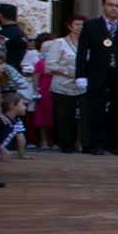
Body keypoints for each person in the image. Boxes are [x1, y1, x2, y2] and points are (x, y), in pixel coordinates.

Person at [75, 0, 118, 155]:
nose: (114, 9)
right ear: (103, 6)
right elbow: (82, 52)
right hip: (97, 73)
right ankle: (95, 143)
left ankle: (115, 143)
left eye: (117, 6)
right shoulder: (91, 26)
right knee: (95, 109)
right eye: (110, 5)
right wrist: (80, 75)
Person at [43, 14, 85, 153]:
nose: (80, 27)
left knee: (81, 116)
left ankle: (80, 142)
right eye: (78, 24)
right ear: (70, 26)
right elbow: (50, 65)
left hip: (81, 86)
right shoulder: (59, 43)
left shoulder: (87, 43)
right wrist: (68, 73)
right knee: (64, 117)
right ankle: (65, 145)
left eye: (83, 25)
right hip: (62, 85)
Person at [0, 2, 27, 71]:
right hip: (18, 72)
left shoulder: (3, 33)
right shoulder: (22, 33)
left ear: (0, 16)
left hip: (6, 73)